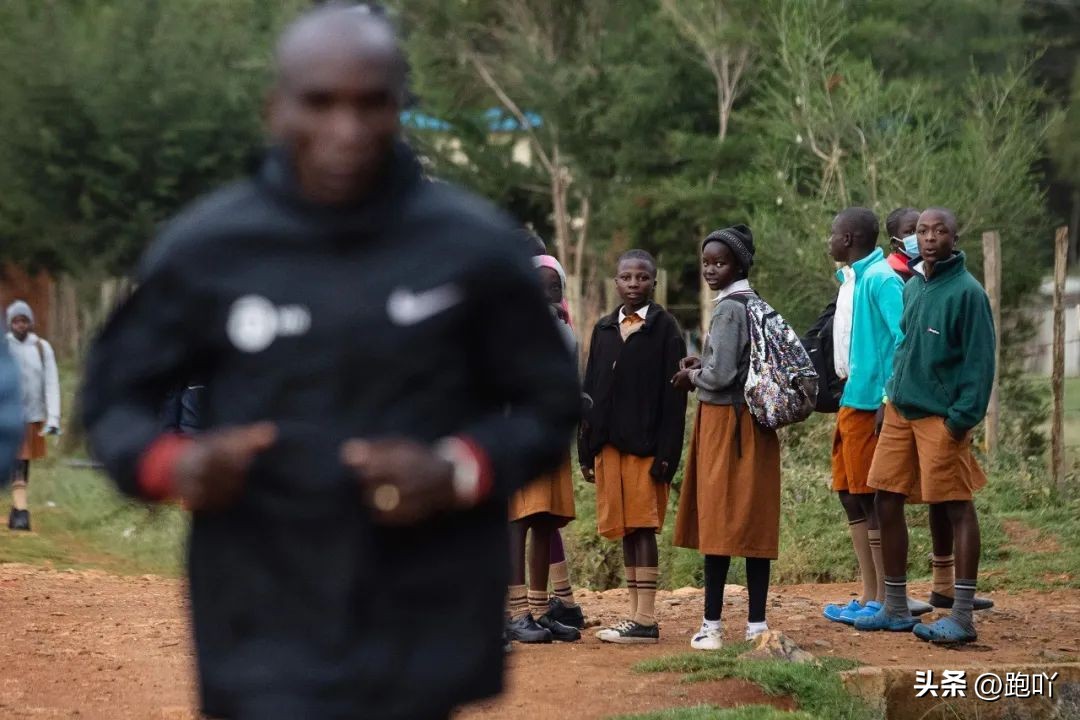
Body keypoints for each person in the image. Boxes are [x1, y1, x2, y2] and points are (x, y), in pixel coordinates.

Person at [80, 6, 580, 719]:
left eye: (371, 103)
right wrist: (175, 466)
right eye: (319, 103)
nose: (345, 131)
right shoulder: (209, 248)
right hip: (261, 611)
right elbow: (110, 401)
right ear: (276, 106)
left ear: (399, 106)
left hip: (424, 613)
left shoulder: (473, 248)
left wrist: (456, 469)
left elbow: (549, 402)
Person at [857, 207, 994, 645]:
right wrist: (890, 395)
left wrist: (960, 421)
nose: (929, 237)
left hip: (942, 417)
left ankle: (962, 615)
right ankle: (895, 606)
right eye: (921, 231)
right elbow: (903, 349)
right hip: (900, 409)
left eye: (939, 230)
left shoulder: (968, 293)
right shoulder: (914, 286)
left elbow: (979, 363)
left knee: (956, 505)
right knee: (885, 496)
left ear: (956, 237)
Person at [670, 225, 780, 650]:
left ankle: (712, 626)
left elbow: (720, 377)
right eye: (707, 263)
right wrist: (709, 360)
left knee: (717, 523)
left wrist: (691, 374)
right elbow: (735, 362)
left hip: (727, 426)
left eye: (720, 262)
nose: (711, 270)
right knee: (754, 522)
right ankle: (756, 626)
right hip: (754, 424)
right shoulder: (753, 303)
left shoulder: (729, 309)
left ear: (739, 264)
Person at [579, 249, 687, 645]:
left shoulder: (666, 329)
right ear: (616, 281)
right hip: (608, 446)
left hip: (646, 448)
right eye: (626, 277)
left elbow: (675, 399)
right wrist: (585, 449)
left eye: (642, 278)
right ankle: (635, 615)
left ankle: (647, 617)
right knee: (625, 529)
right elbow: (590, 388)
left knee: (643, 528)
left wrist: (667, 455)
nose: (634, 284)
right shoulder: (604, 328)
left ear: (654, 282)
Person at [818, 208, 906, 624]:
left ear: (849, 237)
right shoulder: (852, 280)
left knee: (871, 497)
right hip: (850, 398)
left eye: (833, 234)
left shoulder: (881, 279)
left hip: (873, 403)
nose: (829, 240)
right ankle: (869, 592)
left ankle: (884, 599)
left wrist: (889, 400)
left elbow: (900, 341)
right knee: (849, 494)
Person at [505, 253, 581, 644]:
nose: (548, 293)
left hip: (552, 436)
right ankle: (516, 612)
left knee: (545, 519)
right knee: (519, 519)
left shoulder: (564, 330)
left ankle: (538, 609)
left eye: (555, 287)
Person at [6, 300, 61, 531]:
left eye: (24, 320)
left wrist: (54, 417)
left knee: (22, 462)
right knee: (16, 460)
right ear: (10, 323)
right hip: (7, 414)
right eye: (16, 321)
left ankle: (18, 509)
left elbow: (51, 382)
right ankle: (20, 512)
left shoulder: (41, 347)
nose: (20, 325)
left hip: (32, 415)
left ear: (31, 322)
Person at [885, 207, 920, 281]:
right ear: (895, 242)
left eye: (922, 230)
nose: (919, 235)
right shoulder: (891, 276)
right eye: (911, 232)